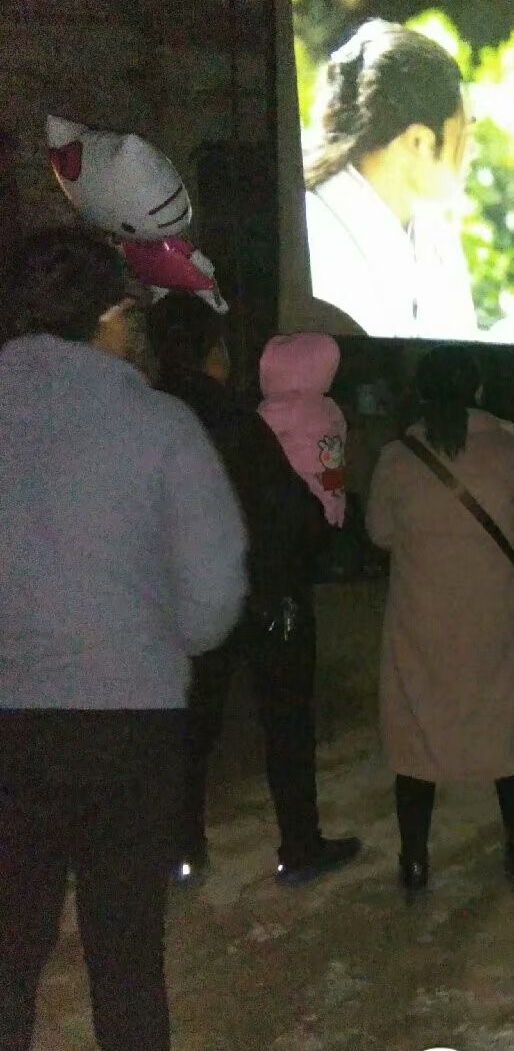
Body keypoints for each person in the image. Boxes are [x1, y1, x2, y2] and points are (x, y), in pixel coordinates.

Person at [0, 229, 248, 1051]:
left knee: (9, 937)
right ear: (110, 317)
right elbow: (213, 601)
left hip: (6, 721)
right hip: (125, 721)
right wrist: (149, 635)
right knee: (124, 941)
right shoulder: (157, 426)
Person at [148, 294, 362, 885]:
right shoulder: (238, 421)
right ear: (212, 352)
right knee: (286, 722)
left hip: (179, 601)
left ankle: (182, 849)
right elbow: (290, 512)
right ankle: (299, 846)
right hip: (264, 596)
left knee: (193, 727)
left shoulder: (147, 417)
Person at [366, 346, 514, 894]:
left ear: (421, 394)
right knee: (508, 734)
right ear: (479, 390)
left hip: (421, 620)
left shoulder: (397, 458)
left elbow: (379, 532)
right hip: (495, 619)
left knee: (417, 740)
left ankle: (414, 862)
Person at [303, 19, 514, 344]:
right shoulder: (312, 232)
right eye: (466, 131)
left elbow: (453, 353)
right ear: (419, 142)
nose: (471, 148)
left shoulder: (433, 229)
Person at [259, 332, 348, 527]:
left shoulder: (286, 406)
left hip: (298, 502)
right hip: (332, 499)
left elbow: (253, 430)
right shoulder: (330, 408)